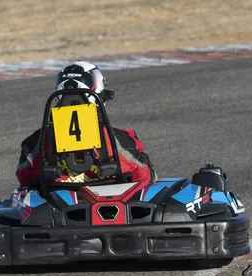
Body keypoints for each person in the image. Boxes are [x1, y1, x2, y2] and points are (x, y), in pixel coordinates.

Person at [16, 61, 155, 187]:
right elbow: (146, 177)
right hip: (109, 209)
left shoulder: (35, 143)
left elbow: (25, 179)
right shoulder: (121, 140)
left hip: (57, 208)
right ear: (99, 95)